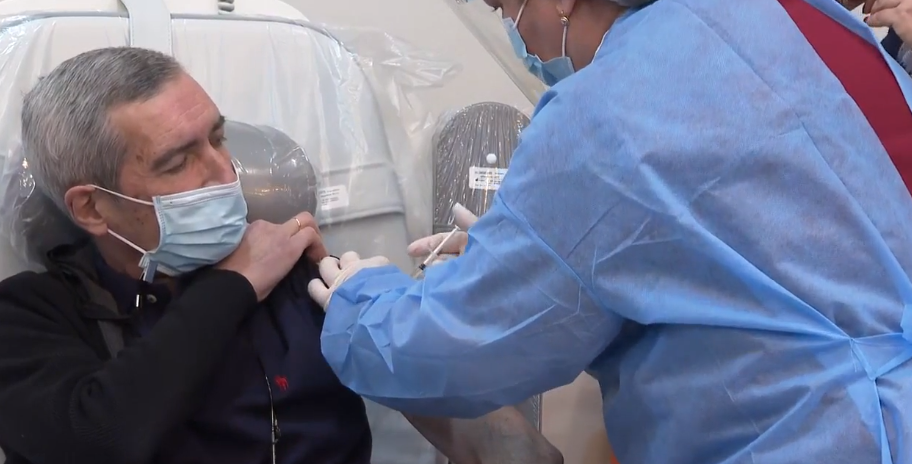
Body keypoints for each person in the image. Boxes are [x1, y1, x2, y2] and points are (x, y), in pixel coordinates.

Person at [307, 0, 912, 462]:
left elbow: (461, 348)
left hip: (823, 435)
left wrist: (360, 305)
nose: (514, 32)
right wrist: (530, 242)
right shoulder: (801, 17)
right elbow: (761, 239)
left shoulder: (603, 114)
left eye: (504, 8)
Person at [0, 47, 563, 464]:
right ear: (93, 208)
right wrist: (233, 287)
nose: (226, 173)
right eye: (178, 162)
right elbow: (98, 440)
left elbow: (516, 453)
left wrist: (412, 330)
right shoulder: (30, 316)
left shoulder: (301, 280)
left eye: (218, 138)